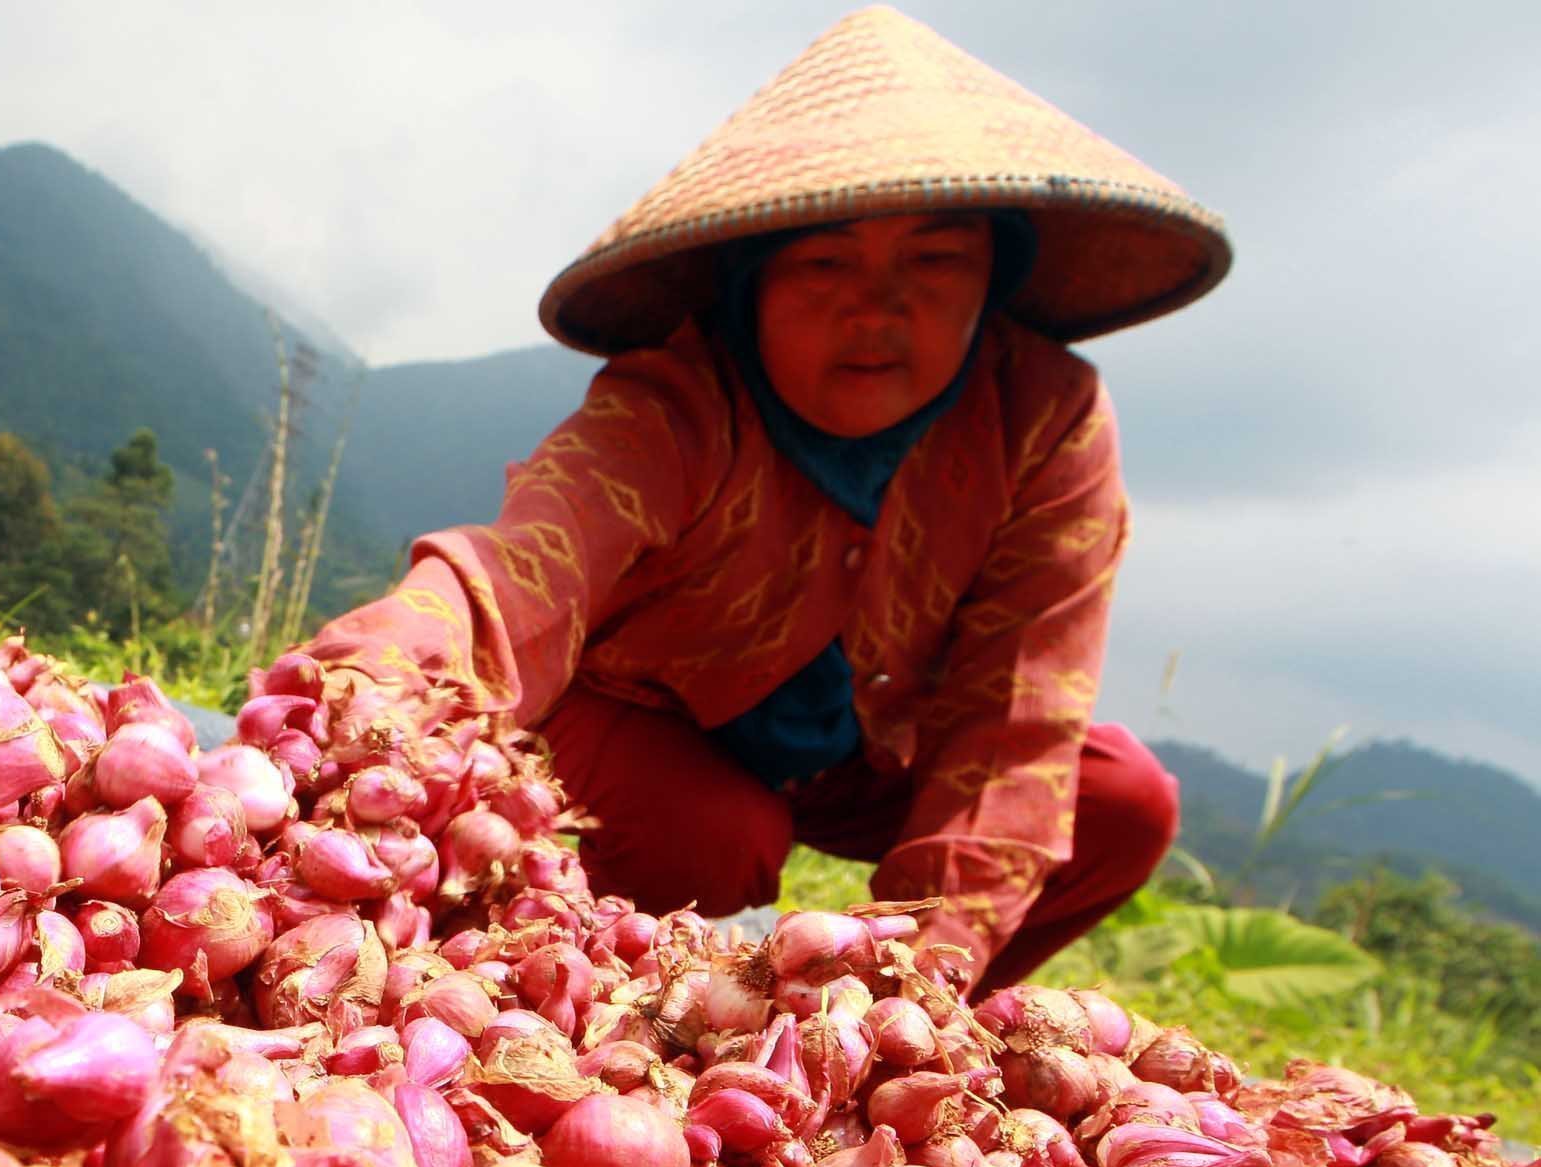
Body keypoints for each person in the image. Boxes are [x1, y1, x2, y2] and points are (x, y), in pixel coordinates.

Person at [304, 5, 1231, 993]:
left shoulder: (1045, 417)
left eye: (931, 259)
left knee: (1119, 802)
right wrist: (367, 704)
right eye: (824, 261)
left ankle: (875, 1033)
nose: (876, 306)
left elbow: (1016, 714)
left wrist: (908, 986)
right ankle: (574, 977)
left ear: (990, 275)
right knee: (715, 841)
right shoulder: (675, 399)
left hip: (869, 748)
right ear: (751, 281)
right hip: (642, 723)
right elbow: (519, 572)